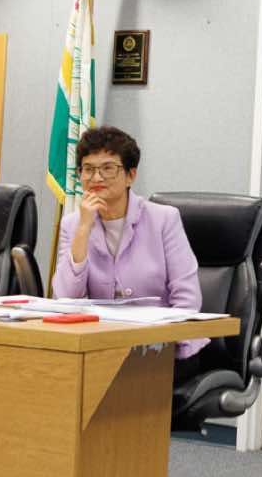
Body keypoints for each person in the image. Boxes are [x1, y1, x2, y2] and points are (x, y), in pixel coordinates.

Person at [50, 125, 205, 366]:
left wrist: (167, 345)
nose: (96, 178)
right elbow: (65, 298)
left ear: (131, 175)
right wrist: (83, 230)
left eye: (108, 168)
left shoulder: (164, 219)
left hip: (162, 348)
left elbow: (187, 298)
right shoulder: (73, 225)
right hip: (100, 346)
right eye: (88, 169)